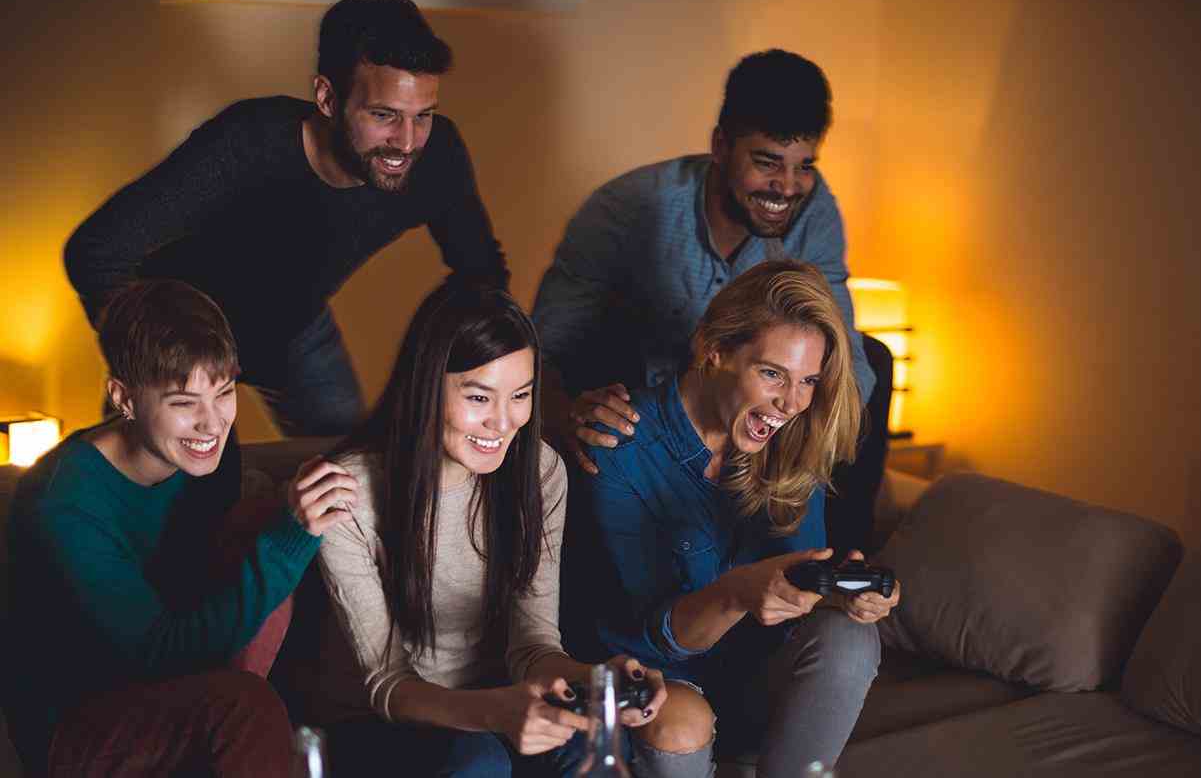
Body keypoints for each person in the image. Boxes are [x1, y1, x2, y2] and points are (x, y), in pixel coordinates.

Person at [64, 0, 508, 437]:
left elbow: (481, 273)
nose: (407, 141)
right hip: (182, 334)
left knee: (353, 470)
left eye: (423, 116)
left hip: (296, 330)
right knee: (161, 493)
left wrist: (438, 377)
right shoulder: (246, 143)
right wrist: (153, 353)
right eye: (383, 115)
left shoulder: (437, 156)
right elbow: (94, 251)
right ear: (328, 98)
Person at [305, 278, 701, 777]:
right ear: (425, 386)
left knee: (596, 753)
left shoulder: (538, 469)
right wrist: (498, 711)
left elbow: (532, 644)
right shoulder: (349, 492)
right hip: (381, 722)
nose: (502, 422)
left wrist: (596, 681)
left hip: (506, 701)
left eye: (520, 395)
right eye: (477, 397)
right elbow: (387, 684)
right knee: (479, 760)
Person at [532, 48, 892, 555]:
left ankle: (844, 565)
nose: (787, 187)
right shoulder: (626, 207)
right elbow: (544, 348)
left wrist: (798, 424)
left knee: (874, 359)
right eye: (766, 163)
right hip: (641, 414)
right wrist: (564, 414)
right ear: (721, 147)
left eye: (803, 167)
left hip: (752, 420)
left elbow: (846, 355)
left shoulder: (816, 209)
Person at [562, 260, 902, 777]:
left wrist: (848, 589)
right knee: (682, 722)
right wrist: (737, 593)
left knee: (851, 636)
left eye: (808, 380)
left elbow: (797, 590)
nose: (791, 403)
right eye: (771, 374)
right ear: (713, 349)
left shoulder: (793, 442)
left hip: (754, 677)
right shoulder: (618, 443)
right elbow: (647, 635)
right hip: (658, 681)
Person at [3, 279, 355, 777]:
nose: (212, 425)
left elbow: (212, 581)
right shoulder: (63, 502)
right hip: (77, 720)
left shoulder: (210, 461)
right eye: (184, 402)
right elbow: (158, 654)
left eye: (224, 392)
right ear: (123, 398)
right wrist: (290, 537)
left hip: (190, 675)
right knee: (242, 705)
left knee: (266, 517)